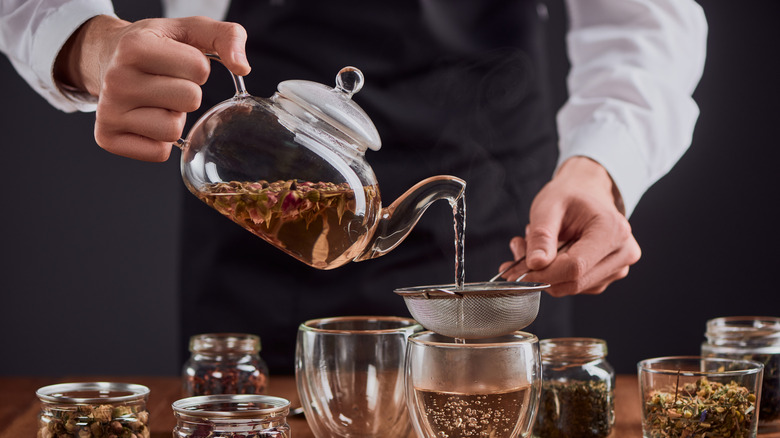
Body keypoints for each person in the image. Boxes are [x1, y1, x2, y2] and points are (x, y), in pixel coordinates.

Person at [0, 0, 707, 374]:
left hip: (505, 188)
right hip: (261, 171)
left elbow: (644, 18)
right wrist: (88, 42)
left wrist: (601, 166)